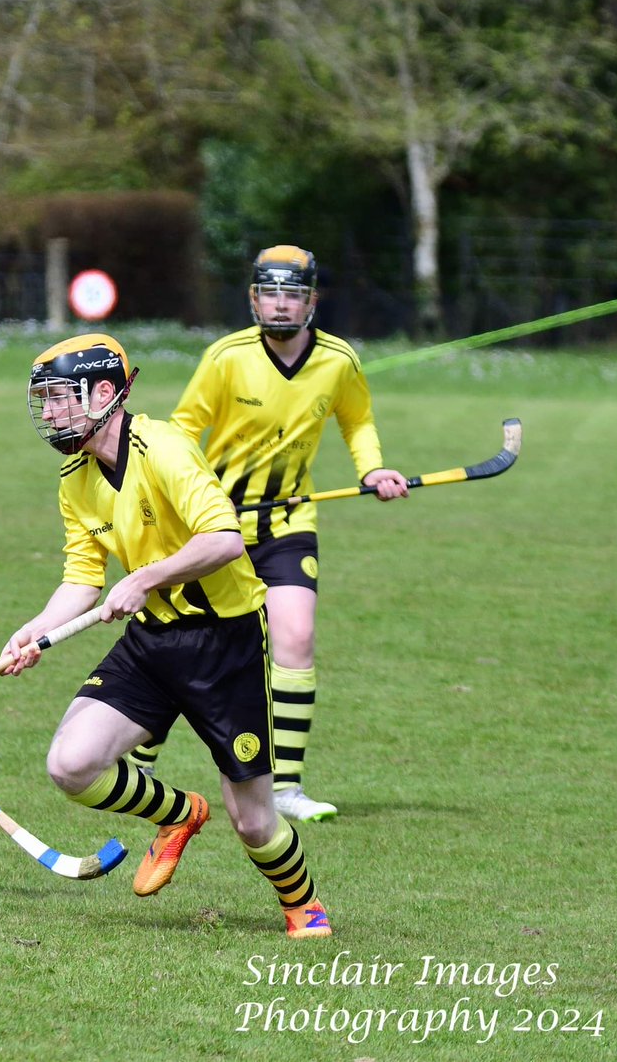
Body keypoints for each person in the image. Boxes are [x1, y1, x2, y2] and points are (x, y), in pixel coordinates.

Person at [4, 332, 332, 939]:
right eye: (43, 400)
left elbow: (225, 540)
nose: (48, 413)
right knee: (71, 765)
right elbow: (81, 579)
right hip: (153, 642)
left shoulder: (164, 447)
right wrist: (33, 631)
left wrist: (147, 576)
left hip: (224, 645)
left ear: (104, 393)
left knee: (255, 822)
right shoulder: (75, 479)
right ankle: (180, 815)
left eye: (57, 398)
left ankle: (303, 904)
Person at [128, 245, 407, 821]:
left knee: (296, 640)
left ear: (312, 299)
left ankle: (285, 788)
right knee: (182, 640)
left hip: (287, 524)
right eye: (270, 291)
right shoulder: (226, 357)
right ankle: (139, 759)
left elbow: (357, 420)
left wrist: (373, 468)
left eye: (293, 292)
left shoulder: (339, 361)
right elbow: (181, 433)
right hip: (215, 526)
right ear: (254, 297)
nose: (281, 303)